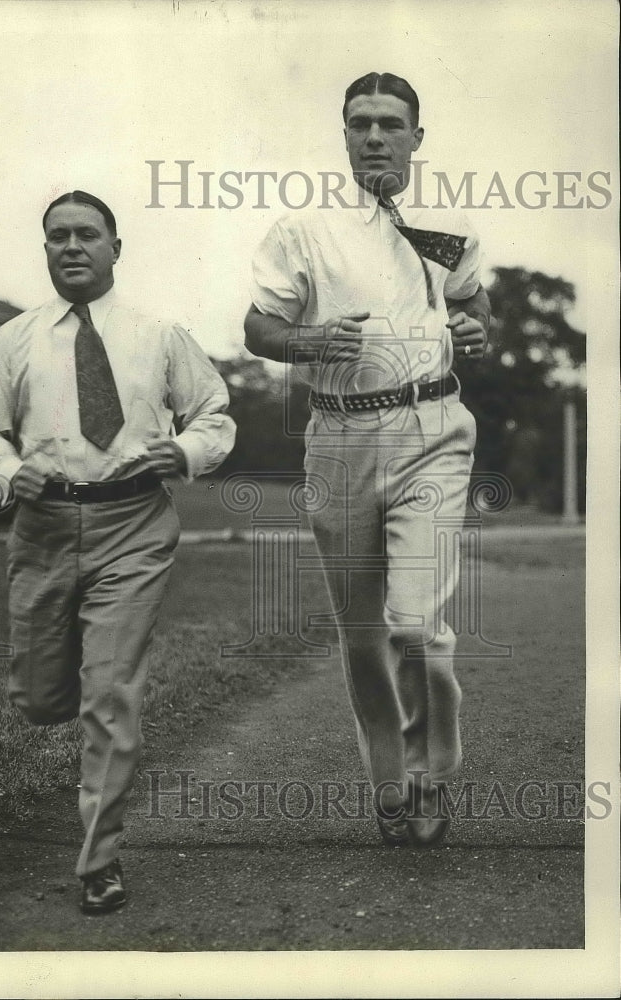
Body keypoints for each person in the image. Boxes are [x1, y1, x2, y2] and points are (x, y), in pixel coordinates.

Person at [0, 190, 235, 913]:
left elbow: (214, 414)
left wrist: (178, 452)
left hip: (132, 527)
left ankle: (99, 861)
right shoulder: (14, 338)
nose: (72, 247)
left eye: (88, 234)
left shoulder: (159, 334)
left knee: (111, 694)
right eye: (57, 237)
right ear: (45, 249)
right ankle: (56, 697)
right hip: (44, 530)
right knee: (39, 698)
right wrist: (4, 470)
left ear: (117, 248)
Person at [244, 72, 490, 847]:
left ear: (419, 135)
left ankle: (427, 777)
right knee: (360, 631)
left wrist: (481, 331)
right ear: (343, 134)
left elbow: (474, 309)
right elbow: (258, 328)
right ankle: (389, 781)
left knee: (416, 624)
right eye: (360, 124)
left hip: (433, 429)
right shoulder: (302, 230)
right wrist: (303, 342)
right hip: (340, 439)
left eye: (390, 123)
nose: (375, 136)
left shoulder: (449, 227)